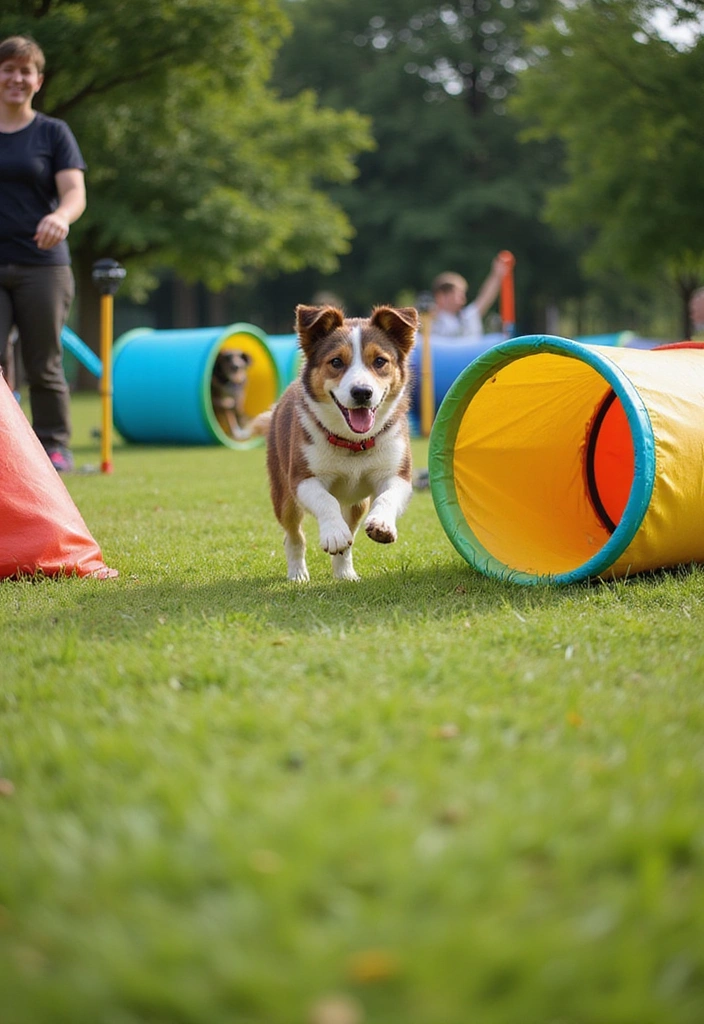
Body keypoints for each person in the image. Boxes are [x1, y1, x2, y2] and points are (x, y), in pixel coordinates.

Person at [0, 35, 86, 472]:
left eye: (25, 70)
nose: (16, 77)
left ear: (38, 80)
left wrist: (62, 217)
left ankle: (54, 447)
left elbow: (74, 192)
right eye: (8, 69)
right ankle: (5, 453)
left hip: (42, 265)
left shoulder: (53, 133)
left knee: (44, 361)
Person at [430, 254, 509, 339]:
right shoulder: (428, 322)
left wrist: (497, 275)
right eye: (458, 294)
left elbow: (485, 298)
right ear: (441, 296)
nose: (463, 298)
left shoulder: (467, 317)